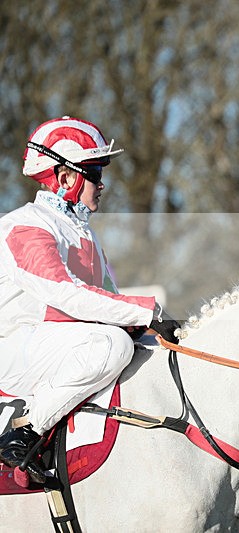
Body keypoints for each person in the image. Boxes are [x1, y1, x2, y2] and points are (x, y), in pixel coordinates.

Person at [0, 116, 180, 484]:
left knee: (152, 351)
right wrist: (147, 311)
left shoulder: (83, 233)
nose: (102, 184)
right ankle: (24, 434)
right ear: (65, 178)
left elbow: (110, 300)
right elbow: (67, 296)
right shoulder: (26, 226)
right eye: (94, 172)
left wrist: (157, 328)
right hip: (16, 350)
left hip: (60, 346)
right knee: (112, 343)